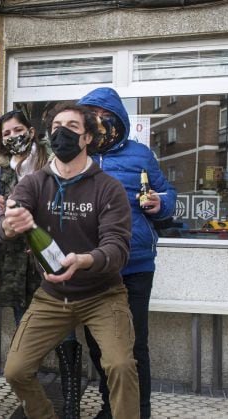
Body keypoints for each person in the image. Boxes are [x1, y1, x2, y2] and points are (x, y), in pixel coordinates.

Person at [0, 103, 140, 419]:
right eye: (56, 125)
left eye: (72, 127)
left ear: (87, 136)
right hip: (52, 296)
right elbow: (2, 226)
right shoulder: (35, 182)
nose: (62, 132)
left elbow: (118, 248)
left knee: (120, 365)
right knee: (16, 371)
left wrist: (85, 260)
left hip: (103, 294)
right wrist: (10, 223)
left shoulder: (108, 188)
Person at [78, 87, 177, 419]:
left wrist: (160, 203)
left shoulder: (140, 153)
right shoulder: (77, 155)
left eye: (101, 114)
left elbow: (166, 193)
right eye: (89, 115)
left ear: (117, 117)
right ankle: (111, 408)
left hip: (135, 264)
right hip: (93, 266)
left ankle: (140, 412)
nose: (96, 122)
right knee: (101, 346)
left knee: (135, 346)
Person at [0, 109, 55, 419]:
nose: (13, 136)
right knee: (23, 327)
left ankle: (67, 397)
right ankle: (31, 399)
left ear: (30, 130)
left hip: (47, 256)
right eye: (6, 133)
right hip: (13, 260)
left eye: (18, 130)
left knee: (62, 329)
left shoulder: (51, 161)